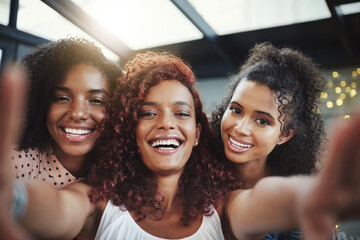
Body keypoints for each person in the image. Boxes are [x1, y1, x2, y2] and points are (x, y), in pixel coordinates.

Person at [1, 51, 359, 240]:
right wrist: (13, 198)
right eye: (148, 113)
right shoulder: (97, 198)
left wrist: (305, 196)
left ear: (198, 131)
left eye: (181, 113)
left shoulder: (223, 203)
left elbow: (262, 202)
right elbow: (58, 207)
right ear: (130, 129)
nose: (167, 123)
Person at [211, 42, 326, 239]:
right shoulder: (198, 172)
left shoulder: (296, 201)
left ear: (285, 135)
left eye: (262, 121)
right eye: (236, 110)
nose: (240, 128)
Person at [9, 37, 122, 189]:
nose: (77, 113)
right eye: (62, 98)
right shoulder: (15, 161)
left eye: (96, 101)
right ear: (40, 103)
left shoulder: (122, 169)